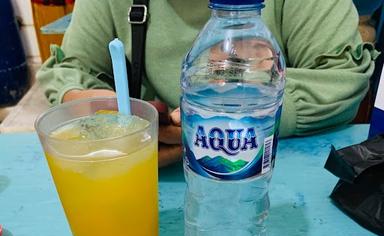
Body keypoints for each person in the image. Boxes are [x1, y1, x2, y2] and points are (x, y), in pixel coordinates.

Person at [37, 0, 376, 167]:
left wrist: (246, 113)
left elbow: (343, 79)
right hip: (147, 181)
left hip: (268, 175)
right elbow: (67, 68)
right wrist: (97, 113)